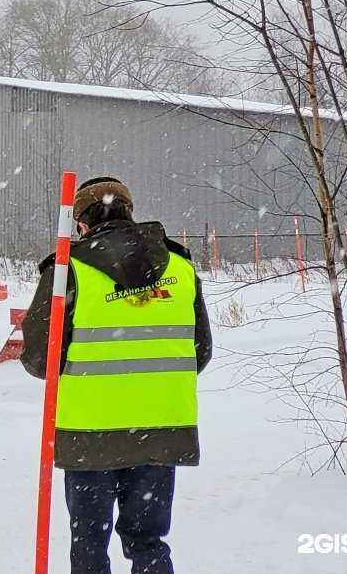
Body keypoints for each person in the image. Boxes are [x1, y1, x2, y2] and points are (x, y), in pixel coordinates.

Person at [21, 177, 212, 574]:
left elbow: (41, 358)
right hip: (161, 430)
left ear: (83, 225)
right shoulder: (179, 266)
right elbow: (200, 351)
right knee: (149, 542)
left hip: (90, 435)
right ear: (129, 213)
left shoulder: (67, 271)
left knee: (90, 544)